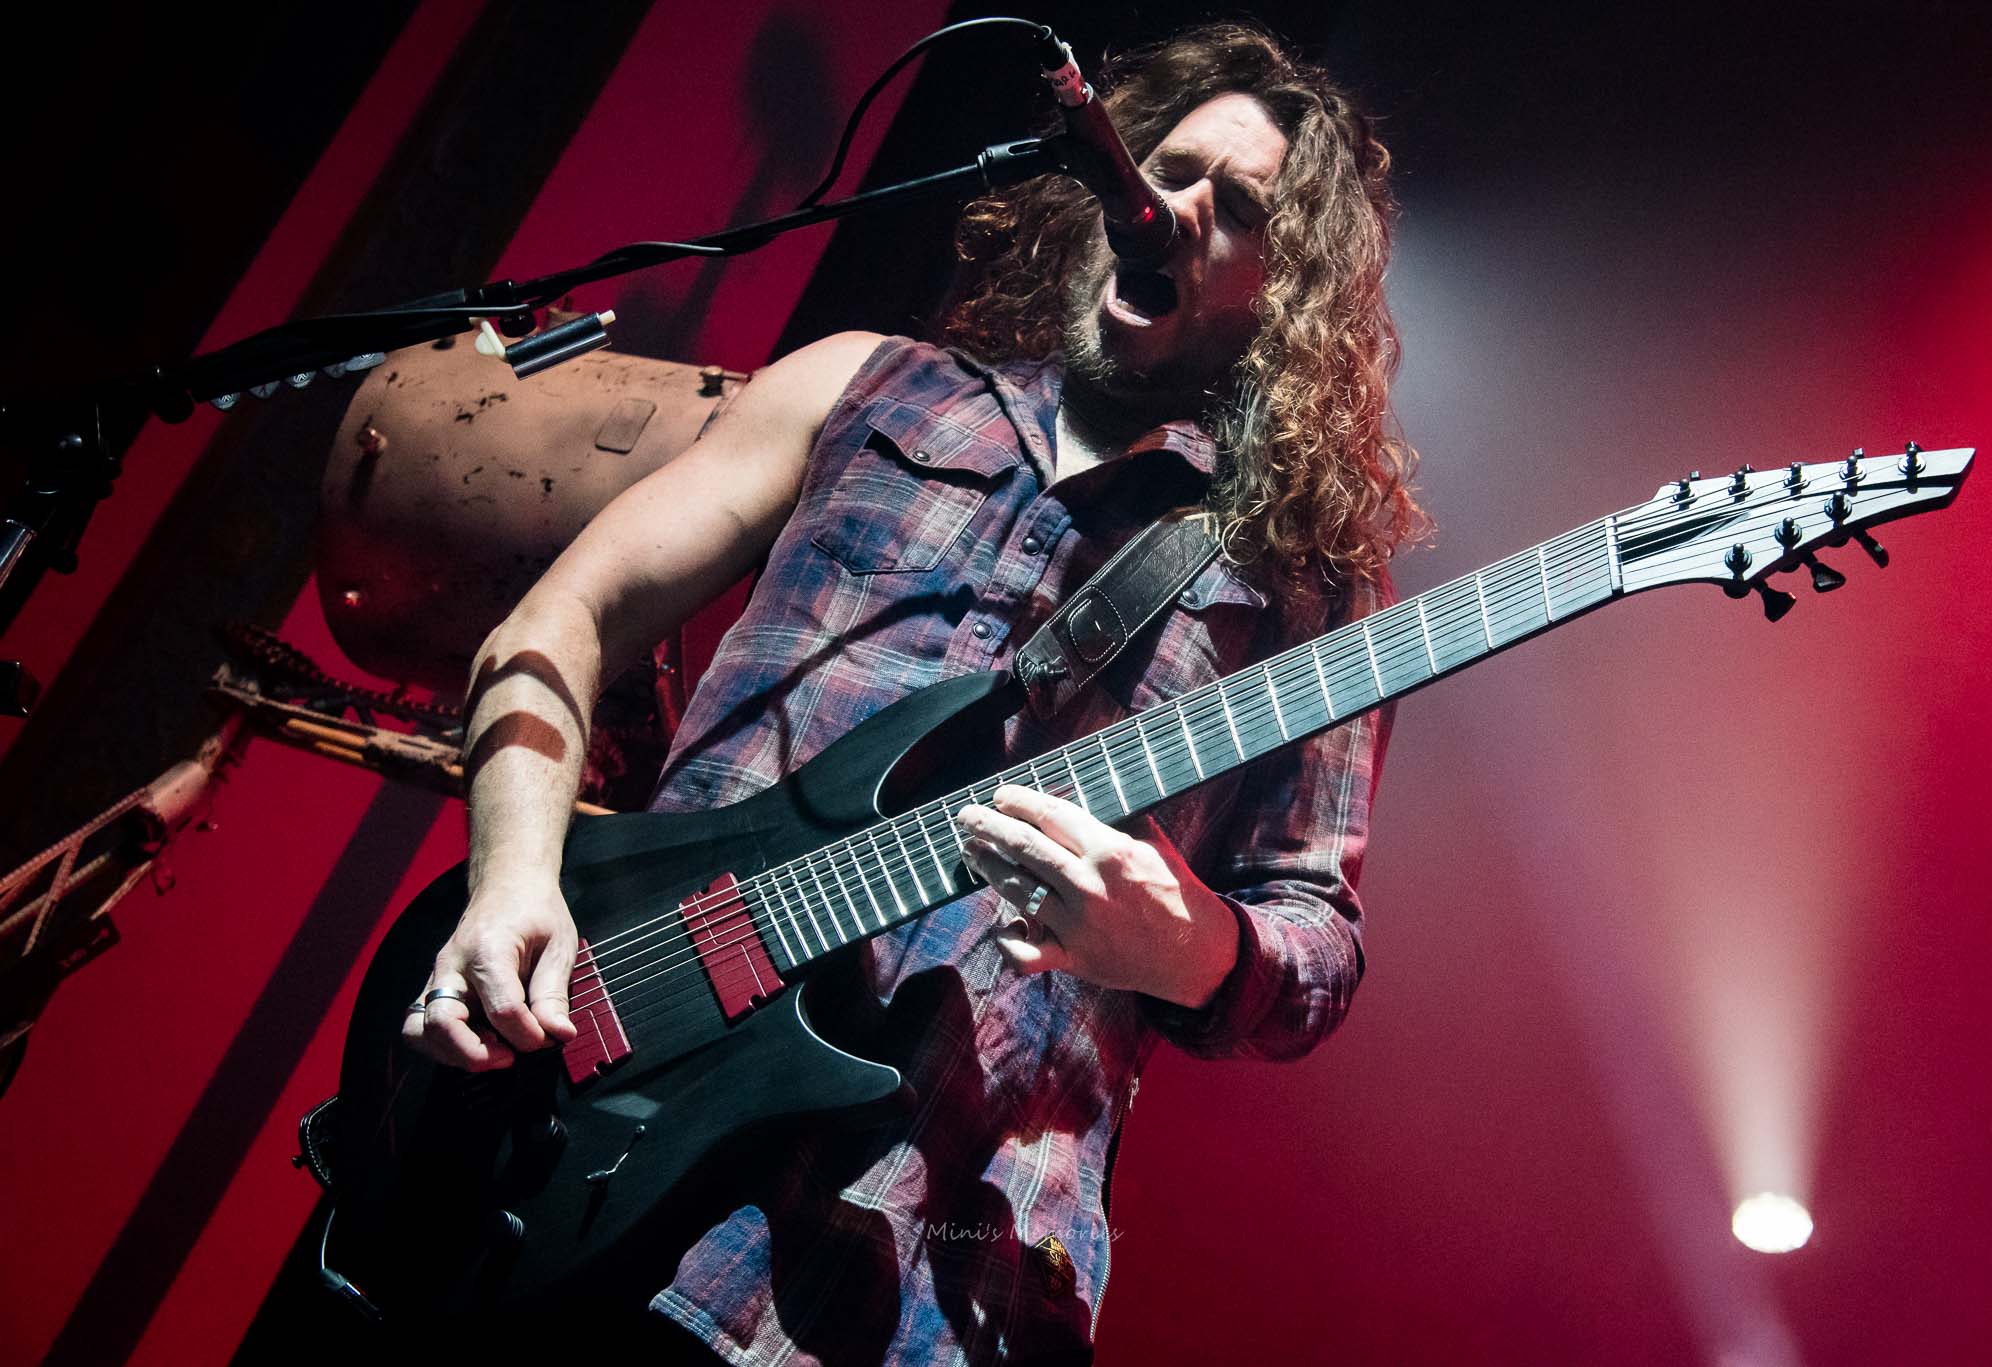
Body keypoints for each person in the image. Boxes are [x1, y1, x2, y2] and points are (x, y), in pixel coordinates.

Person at [404, 21, 1421, 1366]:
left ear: (1283, 291)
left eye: (1237, 209)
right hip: (586, 1113)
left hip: (924, 1250)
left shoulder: (1306, 582)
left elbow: (1315, 947)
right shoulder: (862, 382)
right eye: (1166, 167)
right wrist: (510, 885)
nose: (1174, 207)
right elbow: (561, 618)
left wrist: (1191, 946)